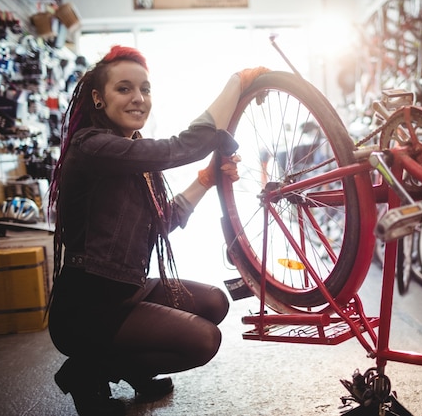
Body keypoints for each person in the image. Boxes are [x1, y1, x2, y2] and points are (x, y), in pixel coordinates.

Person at [47, 45, 268, 416]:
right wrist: (235, 83)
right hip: (88, 308)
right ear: (98, 99)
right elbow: (179, 147)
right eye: (124, 89)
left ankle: (130, 367)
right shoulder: (92, 146)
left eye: (145, 89)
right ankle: (89, 371)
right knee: (203, 340)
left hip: (126, 288)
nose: (138, 98)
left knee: (215, 301)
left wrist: (205, 180)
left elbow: (162, 220)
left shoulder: (125, 151)